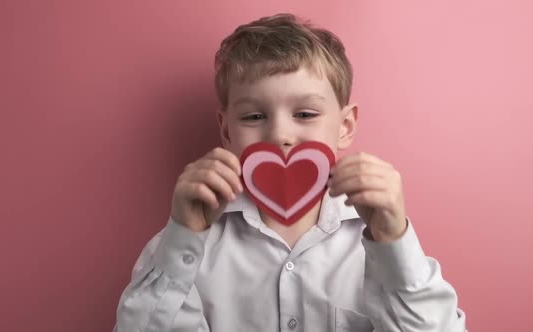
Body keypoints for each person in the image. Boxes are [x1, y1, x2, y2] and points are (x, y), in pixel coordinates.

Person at [113, 13, 466, 332]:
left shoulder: (378, 241)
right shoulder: (185, 245)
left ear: (345, 126)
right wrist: (184, 234)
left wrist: (393, 242)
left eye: (305, 114)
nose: (280, 133)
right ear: (226, 131)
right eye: (254, 116)